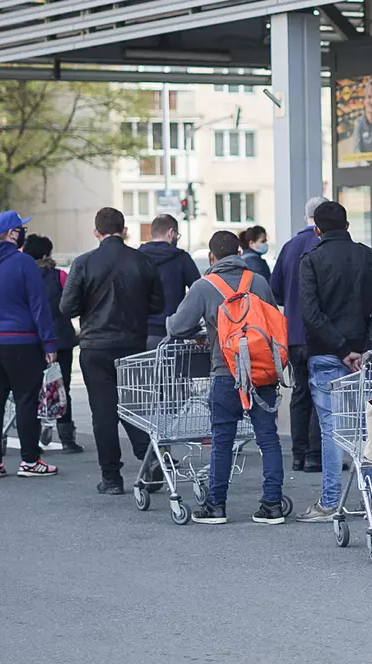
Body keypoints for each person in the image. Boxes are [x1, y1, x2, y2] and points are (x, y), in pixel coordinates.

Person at [168, 231, 286, 525]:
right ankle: (272, 505)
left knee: (222, 440)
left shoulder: (204, 286)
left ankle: (216, 506)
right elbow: (272, 321)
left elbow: (178, 327)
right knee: (268, 438)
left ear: (212, 257)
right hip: (261, 372)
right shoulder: (258, 282)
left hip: (225, 372)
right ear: (239, 252)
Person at [294, 201, 372, 523]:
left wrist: (340, 349)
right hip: (364, 357)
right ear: (347, 226)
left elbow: (311, 313)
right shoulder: (368, 256)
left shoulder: (311, 260)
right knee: (367, 428)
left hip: (326, 354)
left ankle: (330, 501)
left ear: (316, 230)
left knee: (331, 429)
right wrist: (365, 348)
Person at [61, 207, 164, 495]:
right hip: (133, 345)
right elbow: (159, 304)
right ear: (124, 230)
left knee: (103, 413)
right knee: (134, 406)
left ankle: (111, 478)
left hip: (96, 346)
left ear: (96, 232)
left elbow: (67, 307)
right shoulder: (143, 261)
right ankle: (148, 457)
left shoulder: (84, 263)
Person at [0, 211, 59, 479]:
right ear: (12, 233)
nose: (23, 234)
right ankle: (29, 460)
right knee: (26, 400)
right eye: (21, 229)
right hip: (21, 342)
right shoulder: (24, 262)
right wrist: (49, 343)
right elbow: (38, 305)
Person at [271, 196, 326, 473]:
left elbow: (275, 290)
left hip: (293, 334)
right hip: (321, 333)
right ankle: (316, 455)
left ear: (306, 217)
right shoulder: (324, 245)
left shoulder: (289, 247)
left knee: (300, 392)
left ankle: (298, 454)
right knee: (321, 392)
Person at [22, 234, 83, 454]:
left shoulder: (22, 276)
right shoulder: (60, 276)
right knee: (62, 387)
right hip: (61, 340)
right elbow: (72, 303)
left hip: (31, 340)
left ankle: (34, 435)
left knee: (30, 390)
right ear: (48, 253)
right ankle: (67, 438)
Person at [139, 214, 201, 348]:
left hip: (140, 333)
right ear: (171, 233)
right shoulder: (182, 258)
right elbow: (199, 291)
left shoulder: (136, 257)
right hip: (171, 335)